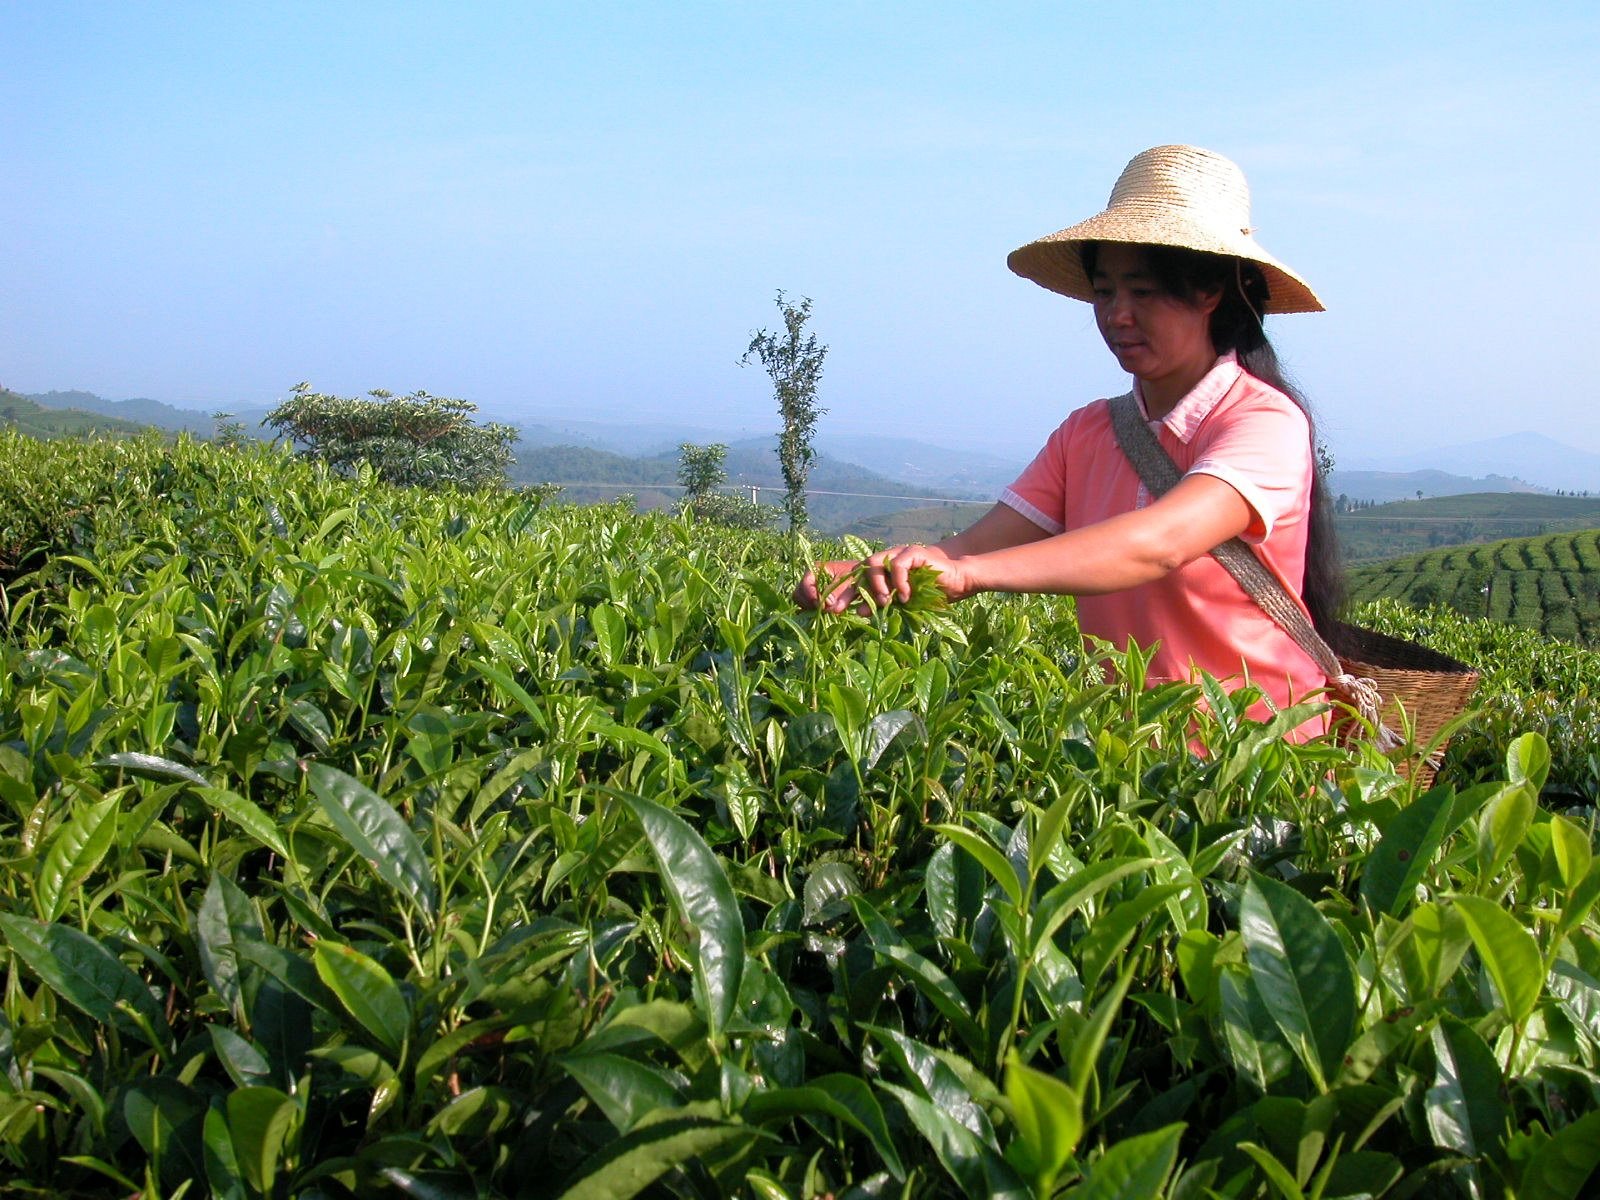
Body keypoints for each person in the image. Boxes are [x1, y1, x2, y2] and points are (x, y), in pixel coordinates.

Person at [796, 144, 1344, 737]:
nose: (1117, 316)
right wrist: (870, 573)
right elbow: (970, 549)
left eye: (1143, 291)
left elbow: (1159, 542)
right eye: (1105, 292)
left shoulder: (1263, 422)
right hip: (1123, 755)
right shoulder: (1087, 434)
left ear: (1209, 292)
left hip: (1257, 756)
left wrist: (973, 576)